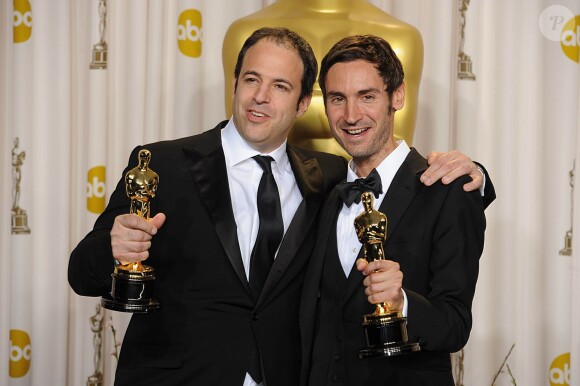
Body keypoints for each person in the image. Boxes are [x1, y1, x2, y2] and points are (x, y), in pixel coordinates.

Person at [69, 27, 488, 386]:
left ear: (303, 104)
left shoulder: (324, 176)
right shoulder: (161, 165)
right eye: (252, 79)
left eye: (281, 86)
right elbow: (81, 273)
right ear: (234, 83)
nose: (261, 98)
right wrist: (111, 247)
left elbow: (425, 222)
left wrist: (477, 176)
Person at [299, 35, 495, 386]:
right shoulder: (321, 187)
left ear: (398, 96)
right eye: (337, 99)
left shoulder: (449, 190)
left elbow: (455, 325)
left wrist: (402, 301)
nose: (351, 115)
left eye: (367, 96)